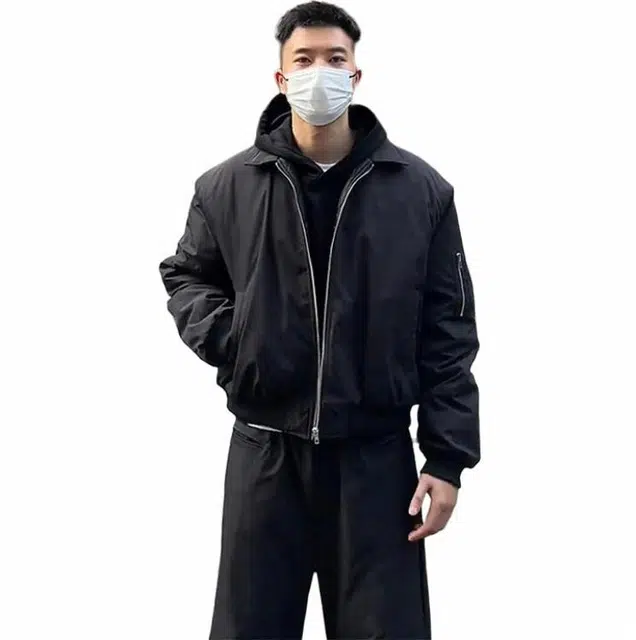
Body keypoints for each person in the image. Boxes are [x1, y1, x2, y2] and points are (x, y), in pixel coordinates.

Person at [158, 2, 480, 638]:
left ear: (356, 74)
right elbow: (187, 276)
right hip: (265, 454)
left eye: (336, 59)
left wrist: (446, 459)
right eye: (303, 60)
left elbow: (449, 329)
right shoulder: (226, 187)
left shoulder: (420, 192)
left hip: (376, 460)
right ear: (281, 78)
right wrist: (238, 340)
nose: (320, 72)